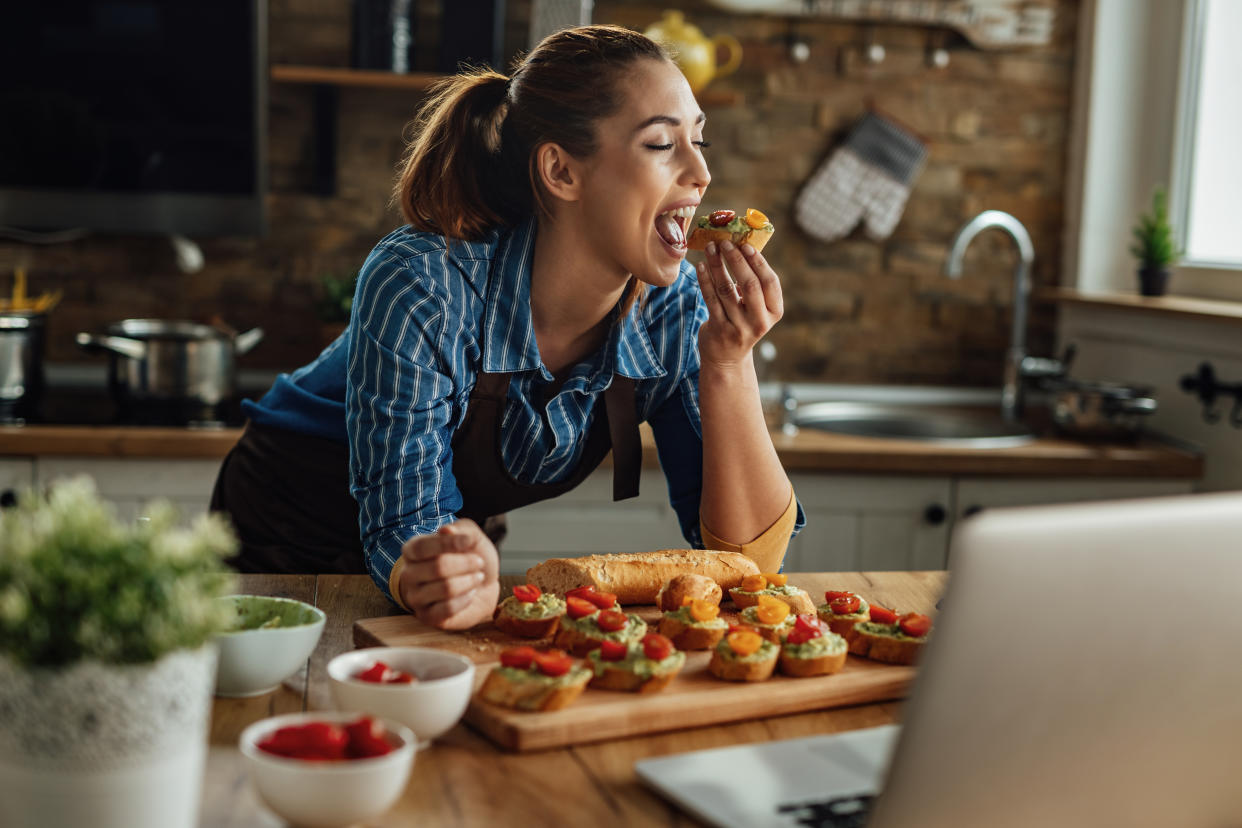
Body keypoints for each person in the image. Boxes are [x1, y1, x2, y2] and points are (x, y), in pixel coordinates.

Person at [210, 25, 804, 630]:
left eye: (700, 141)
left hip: (443, 540)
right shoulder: (424, 283)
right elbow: (403, 520)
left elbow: (747, 566)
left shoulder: (674, 309)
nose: (701, 173)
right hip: (285, 537)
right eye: (661, 144)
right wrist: (436, 568)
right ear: (562, 172)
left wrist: (731, 364)